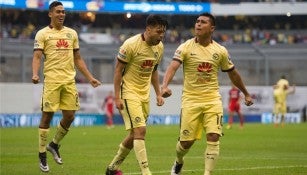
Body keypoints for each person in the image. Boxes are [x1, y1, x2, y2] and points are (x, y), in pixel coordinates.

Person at [161, 12, 253, 175]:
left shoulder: (220, 51)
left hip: (212, 100)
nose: (198, 24)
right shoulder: (185, 47)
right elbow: (173, 66)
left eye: (203, 22)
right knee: (186, 143)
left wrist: (245, 93)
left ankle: (207, 173)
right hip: (191, 100)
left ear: (212, 28)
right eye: (197, 22)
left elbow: (232, 73)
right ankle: (178, 161)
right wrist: (164, 85)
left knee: (213, 136)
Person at [32, 1, 101, 173]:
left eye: (63, 12)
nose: (62, 14)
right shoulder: (42, 34)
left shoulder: (72, 34)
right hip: (52, 82)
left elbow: (78, 58)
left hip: (69, 81)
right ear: (50, 14)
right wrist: (35, 73)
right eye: (58, 12)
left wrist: (90, 77)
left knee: (69, 116)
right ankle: (42, 155)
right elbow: (37, 57)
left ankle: (54, 145)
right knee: (46, 118)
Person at [105, 14, 168, 175]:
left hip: (143, 95)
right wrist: (117, 96)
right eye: (158, 32)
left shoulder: (159, 47)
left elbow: (153, 71)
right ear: (148, 29)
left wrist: (158, 93)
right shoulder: (131, 44)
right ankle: (146, 172)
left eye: (163, 33)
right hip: (129, 92)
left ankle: (112, 169)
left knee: (134, 134)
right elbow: (118, 70)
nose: (161, 36)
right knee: (141, 131)